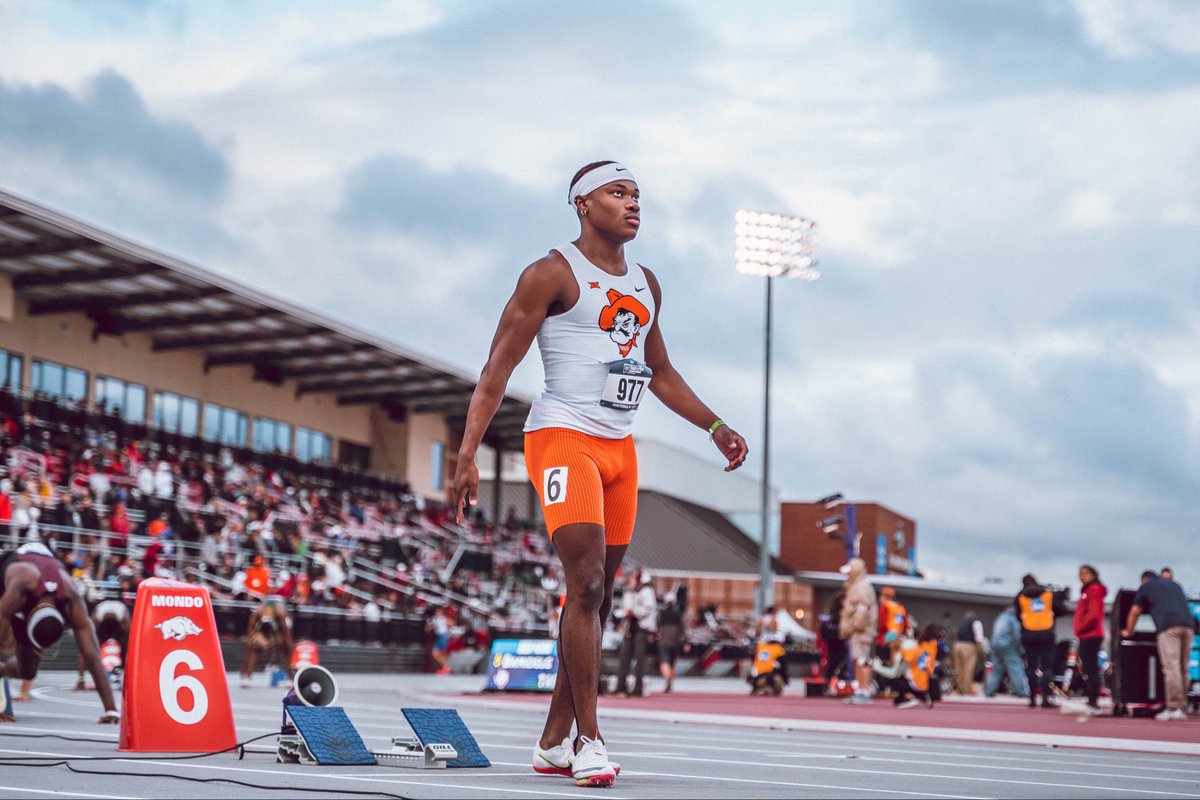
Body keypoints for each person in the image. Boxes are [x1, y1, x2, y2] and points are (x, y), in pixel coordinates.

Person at [451, 160, 748, 788]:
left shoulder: (646, 283)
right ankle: (590, 739)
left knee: (596, 596)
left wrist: (715, 425)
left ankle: (553, 740)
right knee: (584, 585)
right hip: (562, 437)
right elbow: (497, 367)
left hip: (620, 448)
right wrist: (467, 452)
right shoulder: (551, 273)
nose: (633, 203)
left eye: (638, 194)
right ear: (583, 204)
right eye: (619, 193)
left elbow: (660, 371)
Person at [0, 543, 119, 724]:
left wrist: (111, 710)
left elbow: (92, 654)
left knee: (28, 671)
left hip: (45, 578)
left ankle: (3, 671)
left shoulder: (71, 599)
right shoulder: (20, 588)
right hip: (11, 572)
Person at [1121, 569, 1194, 721]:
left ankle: (1172, 707)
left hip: (1168, 627)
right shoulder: (1175, 585)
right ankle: (1182, 706)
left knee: (1171, 667)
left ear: (1144, 580)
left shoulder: (1146, 586)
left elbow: (1135, 611)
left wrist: (1128, 631)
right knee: (1183, 668)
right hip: (1188, 626)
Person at [1016, 573, 1064, 709]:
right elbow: (1061, 609)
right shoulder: (1048, 594)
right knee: (1047, 667)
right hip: (1046, 632)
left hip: (1028, 633)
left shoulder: (1021, 596)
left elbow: (1017, 614)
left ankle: (1032, 698)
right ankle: (1045, 697)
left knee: (1031, 666)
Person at [839, 558, 878, 704]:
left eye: (849, 572)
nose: (847, 575)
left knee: (862, 659)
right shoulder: (857, 586)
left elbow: (862, 609)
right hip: (858, 631)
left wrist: (856, 625)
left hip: (861, 631)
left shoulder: (861, 587)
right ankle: (861, 689)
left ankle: (864, 689)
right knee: (858, 658)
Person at [614, 570, 657, 697]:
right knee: (624, 658)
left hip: (641, 628)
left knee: (639, 658)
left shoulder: (647, 592)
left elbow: (648, 608)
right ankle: (621, 686)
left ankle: (638, 687)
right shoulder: (629, 592)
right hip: (629, 628)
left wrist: (633, 611)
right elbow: (624, 606)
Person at [1073, 564, 1107, 714]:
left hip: (1091, 635)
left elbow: (1093, 615)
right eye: (1080, 573)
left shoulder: (1094, 590)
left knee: (1091, 668)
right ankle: (1091, 700)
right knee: (1088, 668)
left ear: (1093, 574)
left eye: (1085, 573)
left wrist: (1080, 628)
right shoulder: (1087, 591)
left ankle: (1093, 702)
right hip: (1087, 634)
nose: (1082, 576)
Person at [240, 595, 292, 688]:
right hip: (261, 629)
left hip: (279, 627)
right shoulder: (256, 613)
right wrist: (245, 664)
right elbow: (249, 635)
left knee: (286, 650)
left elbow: (286, 636)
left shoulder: (280, 614)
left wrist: (287, 648)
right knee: (254, 649)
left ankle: (289, 678)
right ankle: (247, 677)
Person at [985, 606, 1030, 698]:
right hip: (1008, 645)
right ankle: (1022, 691)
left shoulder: (1000, 617)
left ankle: (989, 690)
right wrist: (1022, 650)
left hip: (995, 645)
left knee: (996, 669)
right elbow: (1017, 635)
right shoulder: (1013, 618)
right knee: (1015, 668)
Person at [819, 592, 848, 695]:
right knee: (835, 664)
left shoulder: (831, 612)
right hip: (837, 641)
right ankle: (829, 686)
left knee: (834, 665)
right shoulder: (837, 612)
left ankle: (829, 685)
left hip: (833, 641)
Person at [952, 610, 985, 696]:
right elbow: (979, 638)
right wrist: (979, 649)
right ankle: (966, 690)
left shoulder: (962, 623)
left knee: (959, 668)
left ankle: (959, 689)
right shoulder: (976, 622)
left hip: (957, 645)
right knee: (968, 668)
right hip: (968, 645)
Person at [656, 591, 683, 694]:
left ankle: (667, 679)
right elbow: (682, 628)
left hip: (664, 639)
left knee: (664, 661)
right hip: (675, 640)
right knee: (672, 663)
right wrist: (684, 641)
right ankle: (670, 683)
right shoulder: (678, 613)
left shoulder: (661, 613)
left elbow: (657, 626)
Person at [876, 586, 908, 656]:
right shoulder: (900, 608)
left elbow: (881, 624)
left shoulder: (885, 607)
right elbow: (905, 626)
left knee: (881, 663)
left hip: (884, 640)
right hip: (897, 641)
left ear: (883, 596)